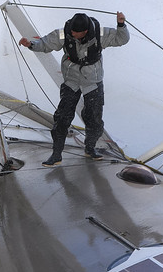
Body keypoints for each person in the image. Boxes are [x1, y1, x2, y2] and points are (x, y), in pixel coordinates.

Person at [19, 10, 130, 165]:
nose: (72, 33)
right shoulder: (64, 34)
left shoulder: (100, 34)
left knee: (95, 119)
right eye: (71, 30)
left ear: (85, 31)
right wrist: (31, 44)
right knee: (62, 117)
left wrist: (121, 24)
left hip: (93, 81)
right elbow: (45, 43)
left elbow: (121, 39)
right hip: (71, 80)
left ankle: (90, 147)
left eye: (75, 32)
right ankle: (56, 154)